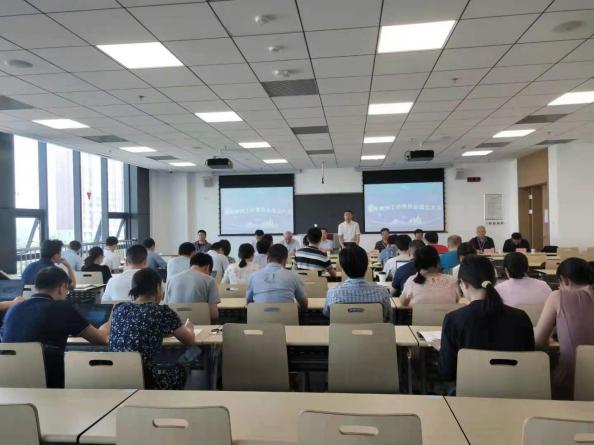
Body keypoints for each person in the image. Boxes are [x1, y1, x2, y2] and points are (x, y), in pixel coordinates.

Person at [2, 267, 108, 387]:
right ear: (61, 287)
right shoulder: (62, 309)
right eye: (67, 290)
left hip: (10, 382)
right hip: (50, 381)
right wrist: (107, 325)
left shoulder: (14, 309)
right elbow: (101, 339)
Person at [437, 255, 535, 382]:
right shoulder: (521, 317)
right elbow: (529, 361)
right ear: (494, 280)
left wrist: (444, 350)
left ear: (464, 284)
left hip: (470, 389)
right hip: (514, 387)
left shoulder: (453, 320)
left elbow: (447, 373)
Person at [109, 268, 195, 390]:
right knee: (183, 364)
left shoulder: (119, 308)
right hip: (147, 380)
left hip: (115, 376)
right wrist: (189, 328)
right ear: (158, 288)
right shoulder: (162, 311)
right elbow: (189, 340)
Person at [534, 258, 594, 399]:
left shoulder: (557, 296)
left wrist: (552, 337)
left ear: (564, 280)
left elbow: (538, 341)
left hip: (570, 383)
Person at [324, 245, 391, 320]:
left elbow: (327, 314)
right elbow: (387, 315)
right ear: (367, 265)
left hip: (343, 327)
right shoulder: (382, 292)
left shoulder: (333, 293)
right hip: (375, 327)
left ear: (342, 267)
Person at [246, 244, 307, 309]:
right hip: (287, 315)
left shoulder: (253, 276)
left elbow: (249, 302)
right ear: (285, 260)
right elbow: (304, 304)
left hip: (259, 314)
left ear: (267, 258)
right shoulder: (294, 276)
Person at [165, 253, 220, 321]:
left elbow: (166, 306)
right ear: (207, 267)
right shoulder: (209, 280)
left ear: (190, 265)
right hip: (201, 324)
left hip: (174, 324)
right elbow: (213, 315)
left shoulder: (171, 280)